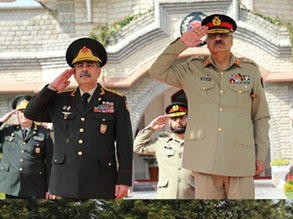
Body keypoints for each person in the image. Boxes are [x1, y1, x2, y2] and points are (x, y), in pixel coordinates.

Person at [149, 14, 270, 199]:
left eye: (223, 35)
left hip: (239, 159)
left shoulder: (250, 70)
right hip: (204, 162)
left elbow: (260, 116)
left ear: (231, 39)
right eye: (212, 36)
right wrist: (181, 44)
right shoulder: (192, 69)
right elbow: (157, 71)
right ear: (206, 42)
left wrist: (260, 154)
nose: (218, 39)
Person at [23, 37, 131, 199]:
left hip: (100, 180)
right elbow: (30, 113)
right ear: (73, 72)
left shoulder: (115, 101)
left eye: (90, 65)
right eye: (79, 65)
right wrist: (52, 88)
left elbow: (125, 144)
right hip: (64, 180)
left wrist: (124, 180)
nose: (84, 69)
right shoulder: (59, 99)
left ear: (99, 70)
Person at [132, 97, 195, 198]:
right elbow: (137, 146)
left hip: (190, 194)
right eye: (174, 119)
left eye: (182, 117)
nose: (178, 121)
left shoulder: (197, 143)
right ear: (169, 122)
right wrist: (151, 128)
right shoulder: (161, 142)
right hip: (166, 195)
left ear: (188, 119)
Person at [0, 95, 53, 198]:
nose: (24, 114)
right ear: (16, 113)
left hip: (35, 186)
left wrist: (49, 189)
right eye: (21, 111)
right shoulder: (7, 131)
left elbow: (50, 163)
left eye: (27, 110)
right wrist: (2, 120)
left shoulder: (44, 134)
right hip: (11, 185)